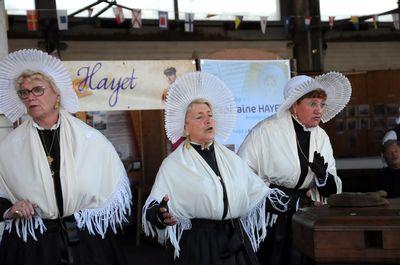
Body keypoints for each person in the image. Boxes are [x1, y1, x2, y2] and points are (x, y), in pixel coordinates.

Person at [142, 72, 299, 265]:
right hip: (201, 245)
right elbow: (154, 205)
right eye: (199, 117)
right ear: (185, 128)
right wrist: (159, 214)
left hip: (235, 241)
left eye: (210, 115)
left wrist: (290, 202)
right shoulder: (174, 164)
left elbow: (257, 193)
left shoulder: (230, 159)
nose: (208, 121)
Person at [0, 49, 132, 265]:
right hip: (34, 245)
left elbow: (111, 185)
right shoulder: (9, 147)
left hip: (86, 241)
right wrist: (9, 209)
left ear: (57, 93)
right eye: (24, 93)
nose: (30, 97)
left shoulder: (91, 139)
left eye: (37, 90)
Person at [238, 72, 352, 265]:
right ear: (294, 105)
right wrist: (277, 199)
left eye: (322, 104)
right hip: (273, 220)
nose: (319, 110)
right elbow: (242, 174)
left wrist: (323, 177)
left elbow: (331, 188)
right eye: (312, 103)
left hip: (308, 218)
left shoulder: (321, 136)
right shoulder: (266, 130)